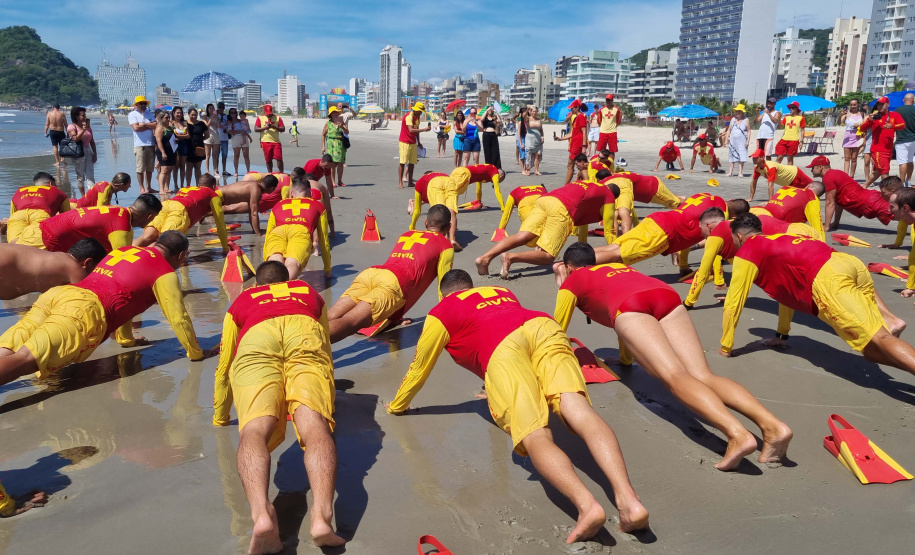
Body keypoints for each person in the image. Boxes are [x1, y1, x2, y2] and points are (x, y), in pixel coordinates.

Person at [386, 270, 650, 541]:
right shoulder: (500, 292)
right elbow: (510, 331)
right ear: (471, 287)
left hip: (502, 348)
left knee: (536, 434)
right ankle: (630, 501)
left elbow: (420, 366)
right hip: (544, 327)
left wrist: (397, 405)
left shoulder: (441, 311)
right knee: (580, 412)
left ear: (443, 293)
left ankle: (587, 506)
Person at [555, 243, 793, 470]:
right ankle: (773, 427)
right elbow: (622, 318)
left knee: (674, 376)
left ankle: (738, 435)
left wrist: (563, 287)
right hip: (663, 294)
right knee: (703, 375)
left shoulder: (572, 280)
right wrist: (626, 360)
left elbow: (556, 330)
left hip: (631, 306)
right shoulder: (617, 267)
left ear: (568, 267)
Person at [212, 261, 346, 550]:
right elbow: (323, 342)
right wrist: (328, 401)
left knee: (254, 432)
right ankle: (322, 518)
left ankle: (262, 515)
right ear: (288, 280)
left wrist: (222, 415)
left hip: (256, 344)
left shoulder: (243, 300)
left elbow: (224, 364)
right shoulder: (308, 292)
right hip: (303, 338)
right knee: (315, 427)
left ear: (258, 285)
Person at [717, 213, 915, 380]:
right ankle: (891, 320)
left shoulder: (748, 251)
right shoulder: (778, 239)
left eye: (733, 239)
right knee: (871, 352)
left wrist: (726, 347)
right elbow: (785, 295)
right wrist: (782, 334)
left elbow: (734, 302)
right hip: (847, 262)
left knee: (880, 338)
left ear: (740, 236)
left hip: (828, 277)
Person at [0, 231, 206, 387]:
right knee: (26, 360)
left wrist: (126, 340)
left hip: (59, 295)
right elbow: (178, 318)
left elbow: (125, 299)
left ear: (155, 244)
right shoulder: (165, 272)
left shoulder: (124, 251)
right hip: (84, 310)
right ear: (181, 255)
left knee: (9, 347)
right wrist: (195, 352)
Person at [327, 205, 454, 342]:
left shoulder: (406, 234)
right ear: (449, 226)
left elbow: (404, 265)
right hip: (392, 284)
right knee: (350, 322)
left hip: (373, 273)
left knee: (331, 314)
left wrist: (395, 317)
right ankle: (303, 346)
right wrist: (448, 325)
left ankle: (302, 333)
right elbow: (444, 287)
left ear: (426, 223)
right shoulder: (445, 246)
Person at [474, 180, 619, 280]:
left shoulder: (589, 184)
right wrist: (614, 252)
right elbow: (609, 228)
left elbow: (582, 218)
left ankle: (484, 258)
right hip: (562, 208)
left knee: (523, 235)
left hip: (545, 199)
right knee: (548, 256)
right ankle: (510, 257)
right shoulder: (609, 196)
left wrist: (581, 246)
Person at [683, 206, 820, 307]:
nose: (702, 235)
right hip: (804, 230)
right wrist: (732, 294)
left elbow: (703, 272)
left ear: (709, 225)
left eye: (702, 230)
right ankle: (782, 334)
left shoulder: (716, 237)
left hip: (792, 237)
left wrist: (688, 303)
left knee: (793, 286)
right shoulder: (738, 226)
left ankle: (782, 333)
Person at [579, 193, 734, 280]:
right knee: (619, 256)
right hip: (664, 233)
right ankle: (574, 269)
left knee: (614, 247)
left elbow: (689, 231)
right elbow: (715, 243)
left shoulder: (708, 197)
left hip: (656, 219)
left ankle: (573, 259)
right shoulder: (721, 216)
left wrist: (683, 266)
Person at [17, 194, 162, 252]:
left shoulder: (117, 210)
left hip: (38, 229)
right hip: (43, 240)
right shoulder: (121, 226)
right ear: (149, 216)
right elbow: (122, 260)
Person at [134, 174, 229, 251]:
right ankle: (143, 260)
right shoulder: (213, 194)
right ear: (214, 186)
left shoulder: (186, 188)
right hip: (181, 209)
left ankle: (125, 254)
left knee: (147, 236)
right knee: (164, 241)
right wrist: (225, 248)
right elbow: (220, 223)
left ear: (199, 185)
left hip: (165, 205)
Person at [264, 177, 330, 280]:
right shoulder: (318, 206)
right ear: (310, 193)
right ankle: (284, 288)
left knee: (275, 261)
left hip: (278, 231)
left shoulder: (278, 205)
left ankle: (271, 288)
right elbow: (324, 239)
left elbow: (268, 235)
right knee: (292, 262)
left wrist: (265, 260)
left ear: (291, 194)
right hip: (301, 230)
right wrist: (327, 269)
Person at [807, 156, 899, 230]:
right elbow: (837, 202)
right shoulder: (837, 172)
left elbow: (829, 203)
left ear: (820, 167)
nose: (811, 171)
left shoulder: (828, 178)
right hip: (870, 198)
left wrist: (826, 226)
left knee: (903, 214)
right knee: (902, 213)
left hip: (869, 202)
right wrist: (835, 222)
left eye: (813, 168)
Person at [0, 239, 107, 300]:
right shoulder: (74, 269)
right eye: (95, 269)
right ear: (88, 262)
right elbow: (88, 299)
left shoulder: (60, 257)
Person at [407, 168, 470, 250]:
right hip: (450, 181)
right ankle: (452, 240)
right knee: (452, 211)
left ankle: (445, 239)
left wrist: (412, 227)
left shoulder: (420, 182)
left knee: (440, 210)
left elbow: (417, 210)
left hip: (435, 183)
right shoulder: (439, 173)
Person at [604, 170, 684, 233]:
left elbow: (623, 210)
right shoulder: (618, 177)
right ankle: (682, 199)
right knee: (674, 200)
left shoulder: (618, 182)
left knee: (675, 203)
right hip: (650, 186)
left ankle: (690, 208)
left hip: (654, 189)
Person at [7, 172, 70, 243]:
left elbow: (12, 215)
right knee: (37, 245)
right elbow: (67, 219)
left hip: (18, 215)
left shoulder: (19, 190)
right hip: (40, 214)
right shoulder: (57, 191)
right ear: (51, 184)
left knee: (14, 244)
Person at [749, 182, 825, 240]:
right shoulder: (811, 196)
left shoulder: (786, 188)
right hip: (772, 226)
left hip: (756, 214)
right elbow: (817, 224)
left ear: (808, 186)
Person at [861, 96, 905, 188]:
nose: (880, 106)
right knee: (884, 171)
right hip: (877, 149)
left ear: (888, 104)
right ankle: (889, 191)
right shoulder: (874, 116)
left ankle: (864, 186)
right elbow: (861, 128)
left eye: (882, 104)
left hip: (888, 148)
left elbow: (902, 125)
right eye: (878, 104)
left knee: (879, 170)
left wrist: (892, 126)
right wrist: (869, 120)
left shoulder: (894, 115)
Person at [748, 149, 813, 201]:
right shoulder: (757, 168)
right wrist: (751, 198)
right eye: (753, 158)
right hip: (789, 184)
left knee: (815, 187)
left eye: (756, 158)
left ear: (762, 158)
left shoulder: (770, 167)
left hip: (796, 174)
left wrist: (770, 201)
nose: (753, 159)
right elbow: (753, 182)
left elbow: (771, 185)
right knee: (804, 196)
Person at [128, 96, 157, 194]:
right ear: (137, 105)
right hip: (140, 144)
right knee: (140, 167)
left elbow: (155, 125)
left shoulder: (149, 114)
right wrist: (148, 125)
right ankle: (141, 188)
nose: (144, 105)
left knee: (149, 167)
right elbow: (136, 128)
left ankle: (148, 187)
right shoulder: (132, 114)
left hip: (151, 143)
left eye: (145, 103)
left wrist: (143, 124)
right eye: (141, 103)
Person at [398, 102, 430, 188]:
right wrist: (424, 130)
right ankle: (400, 182)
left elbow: (416, 130)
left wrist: (419, 142)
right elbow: (411, 130)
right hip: (404, 141)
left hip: (413, 142)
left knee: (412, 162)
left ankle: (410, 181)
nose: (421, 113)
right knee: (403, 162)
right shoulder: (409, 116)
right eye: (420, 111)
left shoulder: (417, 117)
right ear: (416, 110)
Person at [66, 106, 97, 196]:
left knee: (90, 175)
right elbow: (75, 139)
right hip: (78, 152)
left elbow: (92, 141)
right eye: (82, 115)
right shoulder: (71, 127)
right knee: (81, 176)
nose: (84, 117)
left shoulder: (88, 127)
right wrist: (83, 130)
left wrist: (95, 153)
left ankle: (92, 195)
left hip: (88, 151)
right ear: (76, 116)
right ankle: (83, 196)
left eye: (85, 115)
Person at [555, 99, 587, 183]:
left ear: (577, 108)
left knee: (572, 164)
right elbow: (572, 134)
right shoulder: (576, 118)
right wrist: (560, 139)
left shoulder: (581, 116)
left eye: (572, 108)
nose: (571, 110)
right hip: (574, 143)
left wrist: (584, 146)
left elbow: (584, 131)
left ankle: (566, 185)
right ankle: (585, 181)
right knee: (578, 164)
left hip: (578, 144)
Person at [322, 106, 348, 195]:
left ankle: (340, 181)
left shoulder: (341, 121)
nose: (336, 114)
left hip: (340, 144)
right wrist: (323, 146)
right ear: (331, 114)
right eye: (334, 113)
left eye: (337, 112)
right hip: (331, 144)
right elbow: (323, 135)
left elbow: (347, 132)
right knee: (332, 164)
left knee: (340, 163)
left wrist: (343, 127)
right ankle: (333, 182)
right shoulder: (328, 123)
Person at [255, 104, 285, 173]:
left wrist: (274, 127)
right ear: (264, 112)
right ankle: (270, 173)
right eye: (268, 114)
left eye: (270, 113)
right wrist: (266, 127)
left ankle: (281, 172)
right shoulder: (260, 118)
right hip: (265, 141)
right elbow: (256, 129)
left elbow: (283, 129)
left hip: (276, 141)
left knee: (279, 158)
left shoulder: (277, 118)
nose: (269, 115)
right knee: (268, 160)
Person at [839, 99, 865, 178]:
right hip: (848, 135)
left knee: (854, 158)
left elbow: (866, 123)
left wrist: (860, 125)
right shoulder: (847, 113)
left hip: (858, 135)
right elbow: (839, 122)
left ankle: (852, 176)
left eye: (854, 104)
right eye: (851, 105)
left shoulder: (862, 114)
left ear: (858, 105)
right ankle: (845, 176)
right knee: (847, 157)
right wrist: (841, 115)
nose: (853, 106)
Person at [723, 104, 750, 177]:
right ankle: (730, 172)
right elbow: (729, 130)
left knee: (741, 155)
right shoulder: (733, 119)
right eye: (736, 111)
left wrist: (748, 141)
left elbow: (748, 131)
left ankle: (740, 173)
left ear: (742, 112)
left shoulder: (746, 120)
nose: (737, 113)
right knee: (732, 156)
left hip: (742, 141)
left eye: (739, 111)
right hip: (733, 141)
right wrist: (726, 140)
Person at [153, 111, 176, 197]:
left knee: (169, 170)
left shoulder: (170, 128)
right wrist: (163, 152)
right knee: (163, 170)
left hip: (172, 151)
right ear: (161, 118)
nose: (168, 119)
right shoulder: (160, 128)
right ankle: (161, 189)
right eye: (166, 118)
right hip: (163, 151)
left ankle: (167, 187)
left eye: (168, 117)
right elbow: (158, 141)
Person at [894, 94, 915, 187]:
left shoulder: (897, 110)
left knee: (902, 162)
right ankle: (908, 181)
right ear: (913, 100)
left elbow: (893, 125)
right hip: (913, 139)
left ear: (903, 100)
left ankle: (902, 183)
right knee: (910, 160)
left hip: (902, 139)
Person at [185, 108, 209, 187]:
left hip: (199, 147)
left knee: (197, 167)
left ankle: (198, 185)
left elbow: (207, 135)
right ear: (189, 115)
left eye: (195, 115)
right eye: (192, 115)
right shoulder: (186, 124)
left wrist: (200, 139)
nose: (194, 116)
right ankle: (188, 185)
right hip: (188, 146)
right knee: (189, 167)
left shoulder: (201, 124)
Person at [775, 101, 805, 165]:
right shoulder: (786, 117)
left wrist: (801, 141)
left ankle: (789, 173)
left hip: (794, 140)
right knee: (779, 157)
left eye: (793, 107)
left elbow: (802, 130)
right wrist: (779, 119)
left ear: (796, 108)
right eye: (790, 108)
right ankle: (774, 171)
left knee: (790, 158)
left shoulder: (801, 118)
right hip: (784, 139)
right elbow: (780, 127)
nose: (791, 109)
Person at [597, 94, 622, 162]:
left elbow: (618, 121)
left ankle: (610, 165)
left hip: (612, 132)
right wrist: (603, 126)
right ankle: (600, 164)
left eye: (609, 100)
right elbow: (599, 120)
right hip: (603, 132)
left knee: (612, 151)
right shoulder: (602, 110)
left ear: (612, 100)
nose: (608, 101)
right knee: (601, 150)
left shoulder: (616, 109)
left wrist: (613, 126)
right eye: (607, 100)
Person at [172, 107, 190, 192]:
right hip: (174, 145)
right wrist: (183, 136)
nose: (179, 115)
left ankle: (182, 184)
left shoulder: (184, 123)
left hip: (184, 145)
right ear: (173, 113)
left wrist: (179, 136)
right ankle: (176, 185)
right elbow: (172, 136)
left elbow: (188, 135)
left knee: (183, 166)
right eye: (177, 113)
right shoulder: (171, 123)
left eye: (180, 113)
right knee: (175, 167)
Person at [526, 106, 544, 176]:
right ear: (531, 112)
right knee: (529, 154)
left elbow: (541, 129)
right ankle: (528, 170)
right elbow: (524, 115)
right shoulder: (528, 118)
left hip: (538, 139)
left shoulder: (539, 120)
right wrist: (527, 109)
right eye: (533, 111)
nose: (534, 113)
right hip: (530, 138)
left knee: (537, 155)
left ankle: (536, 170)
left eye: (535, 111)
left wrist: (542, 136)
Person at [516, 106, 528, 174]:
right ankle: (523, 169)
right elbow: (519, 134)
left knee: (527, 155)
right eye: (524, 113)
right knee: (522, 156)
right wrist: (521, 143)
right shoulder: (520, 122)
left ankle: (526, 169)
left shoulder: (528, 121)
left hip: (527, 139)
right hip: (522, 139)